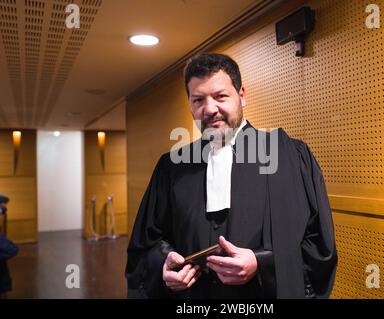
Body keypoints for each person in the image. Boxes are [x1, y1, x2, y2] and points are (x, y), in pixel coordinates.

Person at [126, 53, 337, 299]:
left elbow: (319, 245)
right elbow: (148, 242)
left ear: (242, 95)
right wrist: (164, 263)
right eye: (198, 100)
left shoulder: (288, 156)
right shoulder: (171, 167)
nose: (209, 109)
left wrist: (261, 264)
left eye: (220, 96)